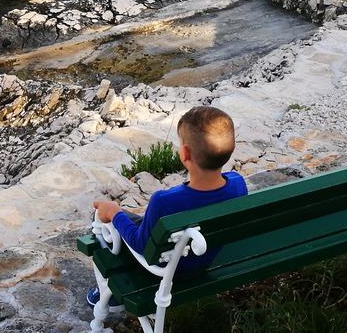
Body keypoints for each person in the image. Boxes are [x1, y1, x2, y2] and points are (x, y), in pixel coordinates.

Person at [87, 105, 248, 306]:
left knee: (105, 223)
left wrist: (114, 213)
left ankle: (109, 291)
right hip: (206, 257)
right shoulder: (238, 184)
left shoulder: (164, 201)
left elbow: (140, 245)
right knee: (141, 224)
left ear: (185, 154)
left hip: (169, 270)